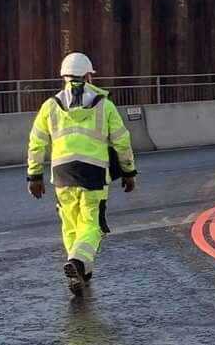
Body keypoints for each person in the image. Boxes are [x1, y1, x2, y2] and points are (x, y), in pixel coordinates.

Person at [26, 52, 137, 296]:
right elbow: (122, 142)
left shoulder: (50, 106)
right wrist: (129, 172)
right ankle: (78, 262)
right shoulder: (104, 105)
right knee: (92, 226)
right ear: (88, 76)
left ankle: (81, 271)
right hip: (94, 174)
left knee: (71, 226)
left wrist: (34, 176)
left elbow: (36, 143)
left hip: (62, 174)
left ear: (64, 78)